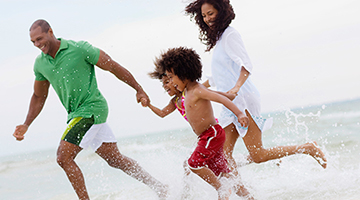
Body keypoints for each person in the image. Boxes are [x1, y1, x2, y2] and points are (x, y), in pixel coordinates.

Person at [12, 19, 168, 200]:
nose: (38, 45)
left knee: (63, 158)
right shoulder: (40, 64)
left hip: (91, 109)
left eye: (40, 39)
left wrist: (138, 89)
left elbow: (112, 65)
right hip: (76, 115)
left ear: (51, 32)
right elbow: (39, 96)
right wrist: (26, 124)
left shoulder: (79, 49)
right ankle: (159, 187)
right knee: (115, 159)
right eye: (33, 42)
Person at [185, 0, 327, 176]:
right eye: (204, 15)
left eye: (211, 14)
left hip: (243, 99)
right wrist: (189, 90)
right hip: (229, 104)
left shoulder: (230, 35)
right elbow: (216, 76)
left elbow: (247, 64)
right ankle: (240, 192)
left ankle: (307, 148)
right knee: (224, 156)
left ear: (221, 11)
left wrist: (236, 88)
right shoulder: (220, 39)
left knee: (258, 155)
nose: (207, 19)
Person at [155, 46, 253, 200]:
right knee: (224, 174)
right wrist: (227, 94)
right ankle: (249, 196)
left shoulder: (197, 90)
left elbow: (220, 99)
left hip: (211, 134)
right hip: (207, 136)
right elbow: (216, 94)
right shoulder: (187, 92)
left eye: (172, 77)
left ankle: (221, 190)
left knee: (194, 163)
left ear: (184, 74)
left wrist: (239, 113)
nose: (172, 83)